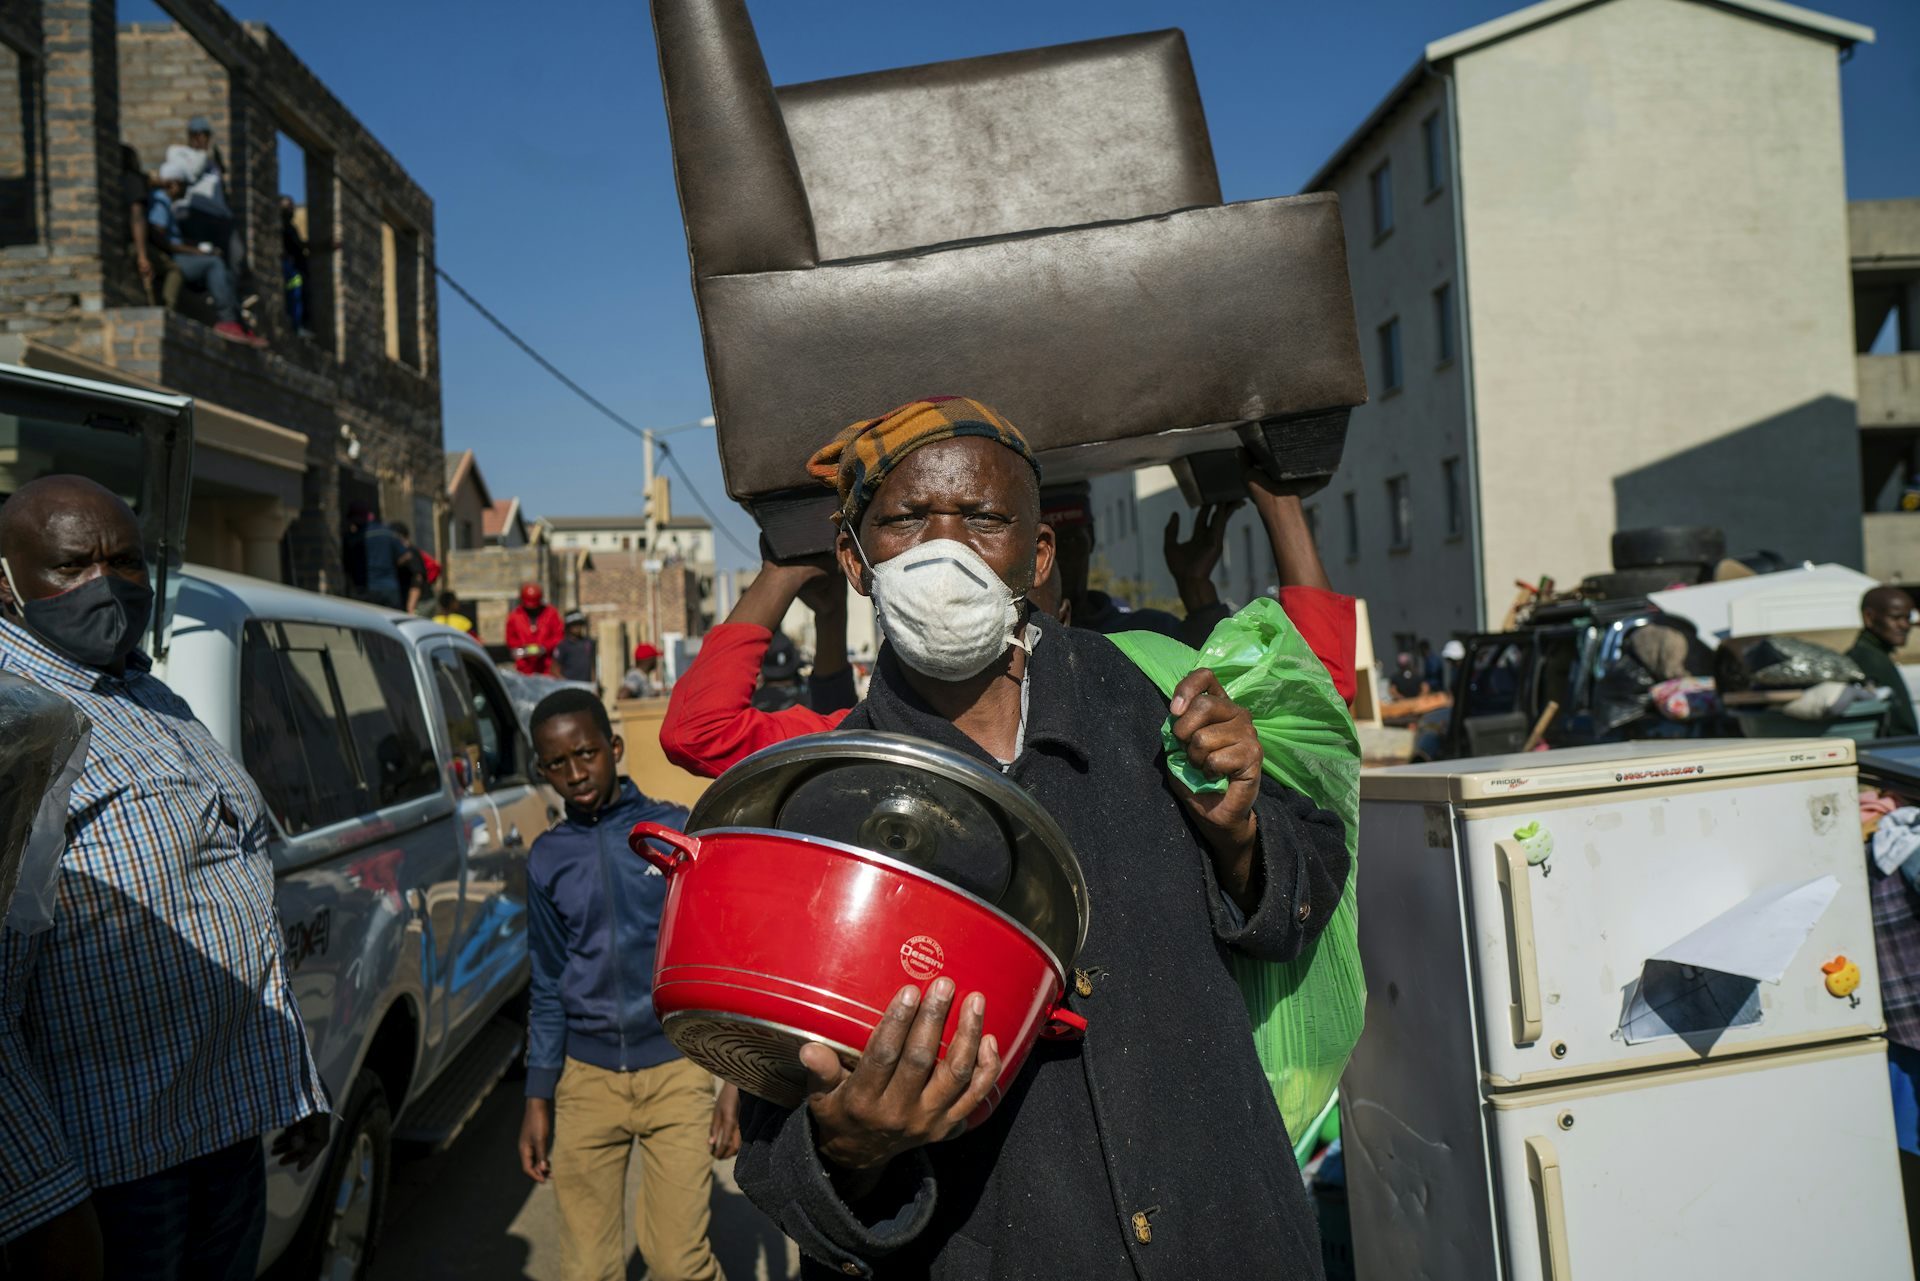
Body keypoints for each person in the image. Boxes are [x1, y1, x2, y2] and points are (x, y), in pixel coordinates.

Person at [730, 397, 1349, 1276]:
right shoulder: (826, 807)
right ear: (853, 560)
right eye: (906, 519)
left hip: (1232, 1236)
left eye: (982, 518)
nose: (944, 550)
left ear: (1038, 552)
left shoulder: (1152, 694)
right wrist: (849, 1150)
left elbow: (1310, 881)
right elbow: (777, 1145)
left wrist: (1241, 836)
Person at [0, 476, 330, 1280]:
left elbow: (231, 885)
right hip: (112, 1171)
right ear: (7, 582)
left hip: (222, 1129)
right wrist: (47, 1200)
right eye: (72, 565)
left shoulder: (148, 691)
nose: (105, 585)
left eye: (126, 562)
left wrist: (293, 1083)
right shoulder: (16, 724)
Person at [660, 474, 1358, 781]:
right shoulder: (874, 743)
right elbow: (700, 732)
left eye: (989, 532)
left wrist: (1279, 501)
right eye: (914, 526)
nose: (953, 579)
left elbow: (1311, 707)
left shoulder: (1139, 704)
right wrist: (786, 565)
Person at [517, 688, 738, 1281]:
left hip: (675, 1073)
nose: (575, 773)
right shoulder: (546, 859)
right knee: (587, 1270)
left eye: (586, 753)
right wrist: (538, 1096)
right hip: (585, 1083)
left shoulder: (672, 831)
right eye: (557, 764)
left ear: (613, 747)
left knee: (678, 1264)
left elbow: (720, 956)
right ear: (543, 771)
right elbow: (548, 980)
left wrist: (736, 1084)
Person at [148, 162, 263, 347]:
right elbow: (162, 240)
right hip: (170, 260)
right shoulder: (160, 200)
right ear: (175, 184)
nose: (187, 192)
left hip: (178, 257)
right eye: (185, 186)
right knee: (214, 264)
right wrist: (197, 252)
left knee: (222, 268)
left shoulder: (167, 203)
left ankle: (238, 323)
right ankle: (227, 320)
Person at [1850, 586, 1920, 737]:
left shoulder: (1875, 655)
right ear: (1869, 617)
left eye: (1907, 618)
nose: (1904, 625)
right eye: (1895, 618)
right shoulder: (1869, 660)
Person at [505, 582, 564, 677]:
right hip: (524, 667)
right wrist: (523, 650)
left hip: (547, 666)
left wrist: (545, 647)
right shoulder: (515, 617)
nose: (532, 611)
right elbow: (511, 639)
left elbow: (558, 636)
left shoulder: (551, 614)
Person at [554, 611, 598, 688]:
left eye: (579, 624)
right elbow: (554, 669)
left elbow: (592, 666)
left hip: (587, 686)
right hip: (570, 687)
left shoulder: (589, 643)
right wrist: (566, 683)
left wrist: (595, 685)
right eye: (574, 625)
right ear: (568, 627)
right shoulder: (563, 645)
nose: (577, 627)